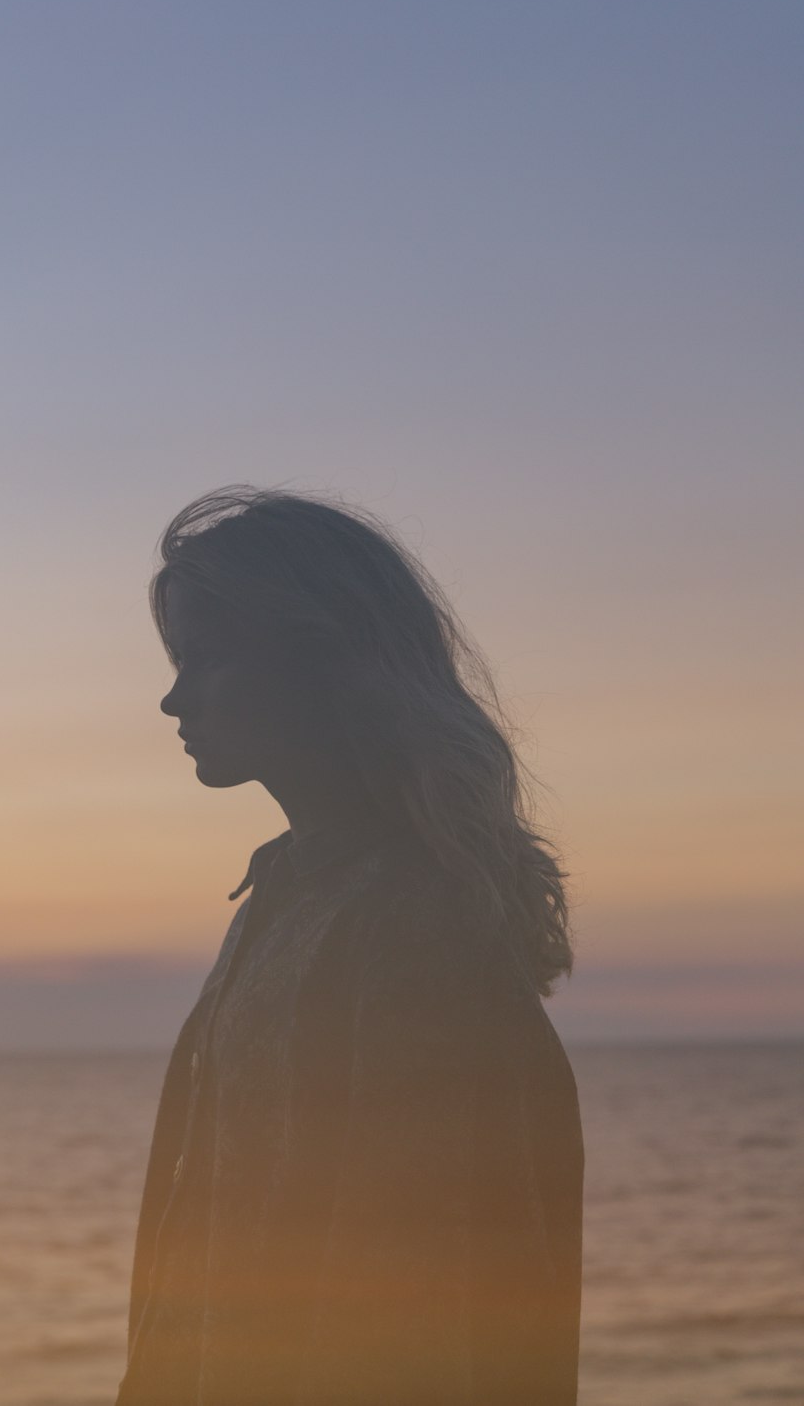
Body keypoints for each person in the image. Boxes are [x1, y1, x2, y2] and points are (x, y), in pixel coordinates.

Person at [113, 484, 584, 1406]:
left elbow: (423, 1302)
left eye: (207, 660)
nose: (173, 698)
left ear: (320, 661)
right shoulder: (289, 894)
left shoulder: (412, 923)